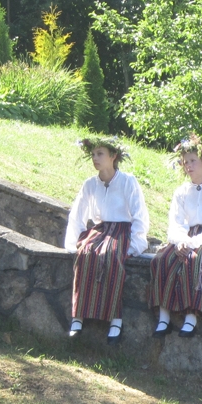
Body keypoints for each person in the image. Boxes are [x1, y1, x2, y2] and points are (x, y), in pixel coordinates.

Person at [64, 137, 150, 345]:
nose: (95, 158)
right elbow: (78, 213)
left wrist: (134, 244)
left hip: (121, 231)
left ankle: (115, 319)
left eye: (100, 154)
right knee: (85, 253)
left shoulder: (128, 181)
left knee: (111, 256)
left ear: (113, 156)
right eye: (93, 154)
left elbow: (139, 214)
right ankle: (78, 316)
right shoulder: (90, 184)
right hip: (100, 230)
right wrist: (73, 242)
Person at [149, 135, 202, 337]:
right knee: (162, 259)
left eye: (193, 161)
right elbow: (176, 221)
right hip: (184, 236)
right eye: (185, 162)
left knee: (195, 261)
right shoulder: (181, 191)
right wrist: (181, 241)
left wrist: (193, 243)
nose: (188, 166)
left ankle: (191, 316)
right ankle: (164, 317)